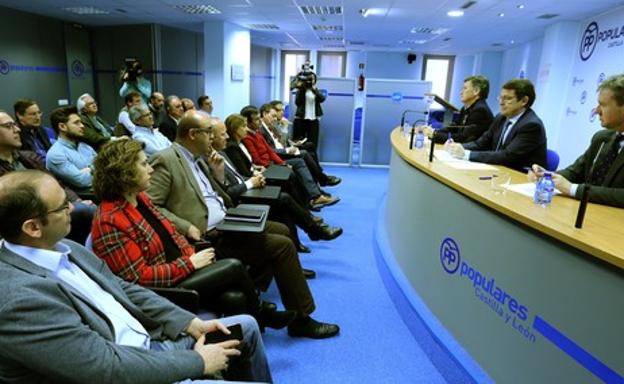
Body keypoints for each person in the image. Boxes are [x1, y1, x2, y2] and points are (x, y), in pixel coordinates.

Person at [0, 170, 272, 383]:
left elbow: (123, 289)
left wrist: (188, 322)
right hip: (127, 369)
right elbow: (104, 368)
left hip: (149, 344)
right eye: (62, 207)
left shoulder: (67, 247)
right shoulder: (18, 300)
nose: (73, 209)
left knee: (245, 326)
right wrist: (198, 362)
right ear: (33, 227)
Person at [147, 111, 340, 339]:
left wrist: (218, 174)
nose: (213, 137)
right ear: (192, 134)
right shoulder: (166, 159)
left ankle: (254, 290)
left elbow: (211, 195)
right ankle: (301, 319)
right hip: (207, 235)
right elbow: (151, 205)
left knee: (281, 229)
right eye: (209, 132)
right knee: (282, 246)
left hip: (227, 221)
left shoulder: (197, 157)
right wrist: (185, 226)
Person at [91, 139, 296, 329]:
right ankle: (261, 313)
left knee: (235, 298)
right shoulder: (110, 219)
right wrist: (190, 264)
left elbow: (172, 234)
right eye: (144, 164)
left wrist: (190, 254)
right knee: (233, 265)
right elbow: (137, 279)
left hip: (178, 267)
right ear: (124, 172)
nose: (151, 169)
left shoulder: (139, 198)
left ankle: (239, 353)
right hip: (159, 290)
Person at [215, 116, 342, 243]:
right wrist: (253, 179)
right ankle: (313, 222)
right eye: (243, 126)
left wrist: (256, 171)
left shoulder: (229, 149)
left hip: (253, 178)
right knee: (285, 192)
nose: (226, 136)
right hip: (245, 190)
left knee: (289, 183)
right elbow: (234, 183)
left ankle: (311, 211)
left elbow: (251, 164)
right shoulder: (230, 148)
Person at [528, 73, 624, 208]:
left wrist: (573, 189)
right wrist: (546, 176)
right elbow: (575, 172)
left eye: (603, 105)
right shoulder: (602, 138)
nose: (596, 111)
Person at [0, 110, 95, 244]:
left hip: (55, 207)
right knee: (87, 211)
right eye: (9, 126)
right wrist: (64, 205)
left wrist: (76, 199)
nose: (17, 130)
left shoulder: (28, 157)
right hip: (29, 219)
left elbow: (56, 183)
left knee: (87, 209)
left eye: (15, 125)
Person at [241, 105, 338, 210]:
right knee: (299, 163)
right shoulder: (248, 137)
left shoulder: (258, 133)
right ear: (248, 122)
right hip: (267, 166)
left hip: (273, 161)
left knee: (302, 158)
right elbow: (257, 160)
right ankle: (314, 196)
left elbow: (269, 150)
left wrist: (282, 163)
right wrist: (280, 164)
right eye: (256, 119)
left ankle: (315, 196)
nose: (259, 122)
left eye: (259, 118)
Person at [447, 79, 547, 171]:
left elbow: (508, 156)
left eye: (508, 98)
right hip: (499, 170)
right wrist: (458, 147)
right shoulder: (501, 117)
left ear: (524, 101)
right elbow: (481, 143)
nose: (501, 102)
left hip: (521, 176)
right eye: (500, 98)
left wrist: (467, 154)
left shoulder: (531, 125)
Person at [259, 103, 340, 187]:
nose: (281, 113)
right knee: (304, 153)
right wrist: (285, 129)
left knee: (310, 148)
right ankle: (322, 179)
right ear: (265, 114)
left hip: (283, 149)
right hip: (280, 153)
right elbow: (277, 145)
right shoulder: (265, 128)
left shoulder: (272, 125)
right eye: (279, 111)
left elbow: (281, 142)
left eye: (283, 110)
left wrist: (291, 144)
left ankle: (320, 180)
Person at [423, 75, 494, 144]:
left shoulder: (480, 110)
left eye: (465, 88)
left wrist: (435, 135)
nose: (461, 92)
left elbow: (464, 138)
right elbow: (455, 127)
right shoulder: (466, 108)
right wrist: (434, 131)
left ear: (476, 91)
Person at [45, 106, 97, 195]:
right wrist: (93, 168)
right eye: (76, 123)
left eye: (80, 122)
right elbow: (82, 181)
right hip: (84, 198)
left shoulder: (85, 146)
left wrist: (89, 170)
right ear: (62, 127)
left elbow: (104, 167)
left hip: (100, 190)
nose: (82, 126)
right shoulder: (56, 154)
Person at [291, 62, 325, 152]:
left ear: (315, 80)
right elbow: (297, 103)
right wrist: (301, 88)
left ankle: (312, 162)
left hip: (313, 120)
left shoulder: (316, 90)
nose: (310, 81)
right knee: (300, 142)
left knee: (313, 143)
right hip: (301, 119)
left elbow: (322, 99)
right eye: (308, 79)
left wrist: (314, 90)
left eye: (312, 79)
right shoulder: (301, 90)